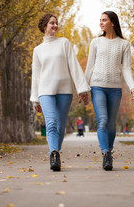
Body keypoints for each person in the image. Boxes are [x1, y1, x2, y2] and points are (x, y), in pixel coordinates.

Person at [30, 13, 90, 171]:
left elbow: (74, 66)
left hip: (64, 90)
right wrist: (35, 98)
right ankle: (54, 155)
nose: (55, 26)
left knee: (60, 126)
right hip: (45, 91)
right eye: (52, 23)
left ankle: (55, 152)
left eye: (56, 23)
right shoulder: (38, 50)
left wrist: (82, 89)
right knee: (51, 123)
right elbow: (36, 76)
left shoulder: (64, 43)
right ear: (44, 26)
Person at [85, 11, 134, 171]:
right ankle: (106, 154)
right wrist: (83, 88)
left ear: (112, 23)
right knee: (102, 121)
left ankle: (108, 151)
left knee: (112, 125)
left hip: (115, 89)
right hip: (97, 86)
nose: (100, 23)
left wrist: (132, 86)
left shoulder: (124, 45)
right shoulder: (95, 42)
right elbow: (90, 66)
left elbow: (127, 69)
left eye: (104, 20)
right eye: (100, 20)